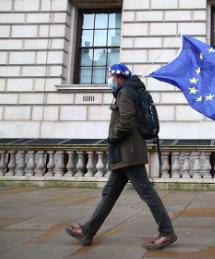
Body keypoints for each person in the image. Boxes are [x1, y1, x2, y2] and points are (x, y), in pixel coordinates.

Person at [65, 63, 177, 250]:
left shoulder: (125, 92)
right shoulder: (131, 90)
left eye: (111, 76)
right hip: (125, 153)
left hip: (128, 153)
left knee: (147, 193)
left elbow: (126, 120)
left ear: (119, 77)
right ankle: (88, 232)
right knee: (109, 193)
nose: (110, 80)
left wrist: (112, 136)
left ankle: (166, 232)